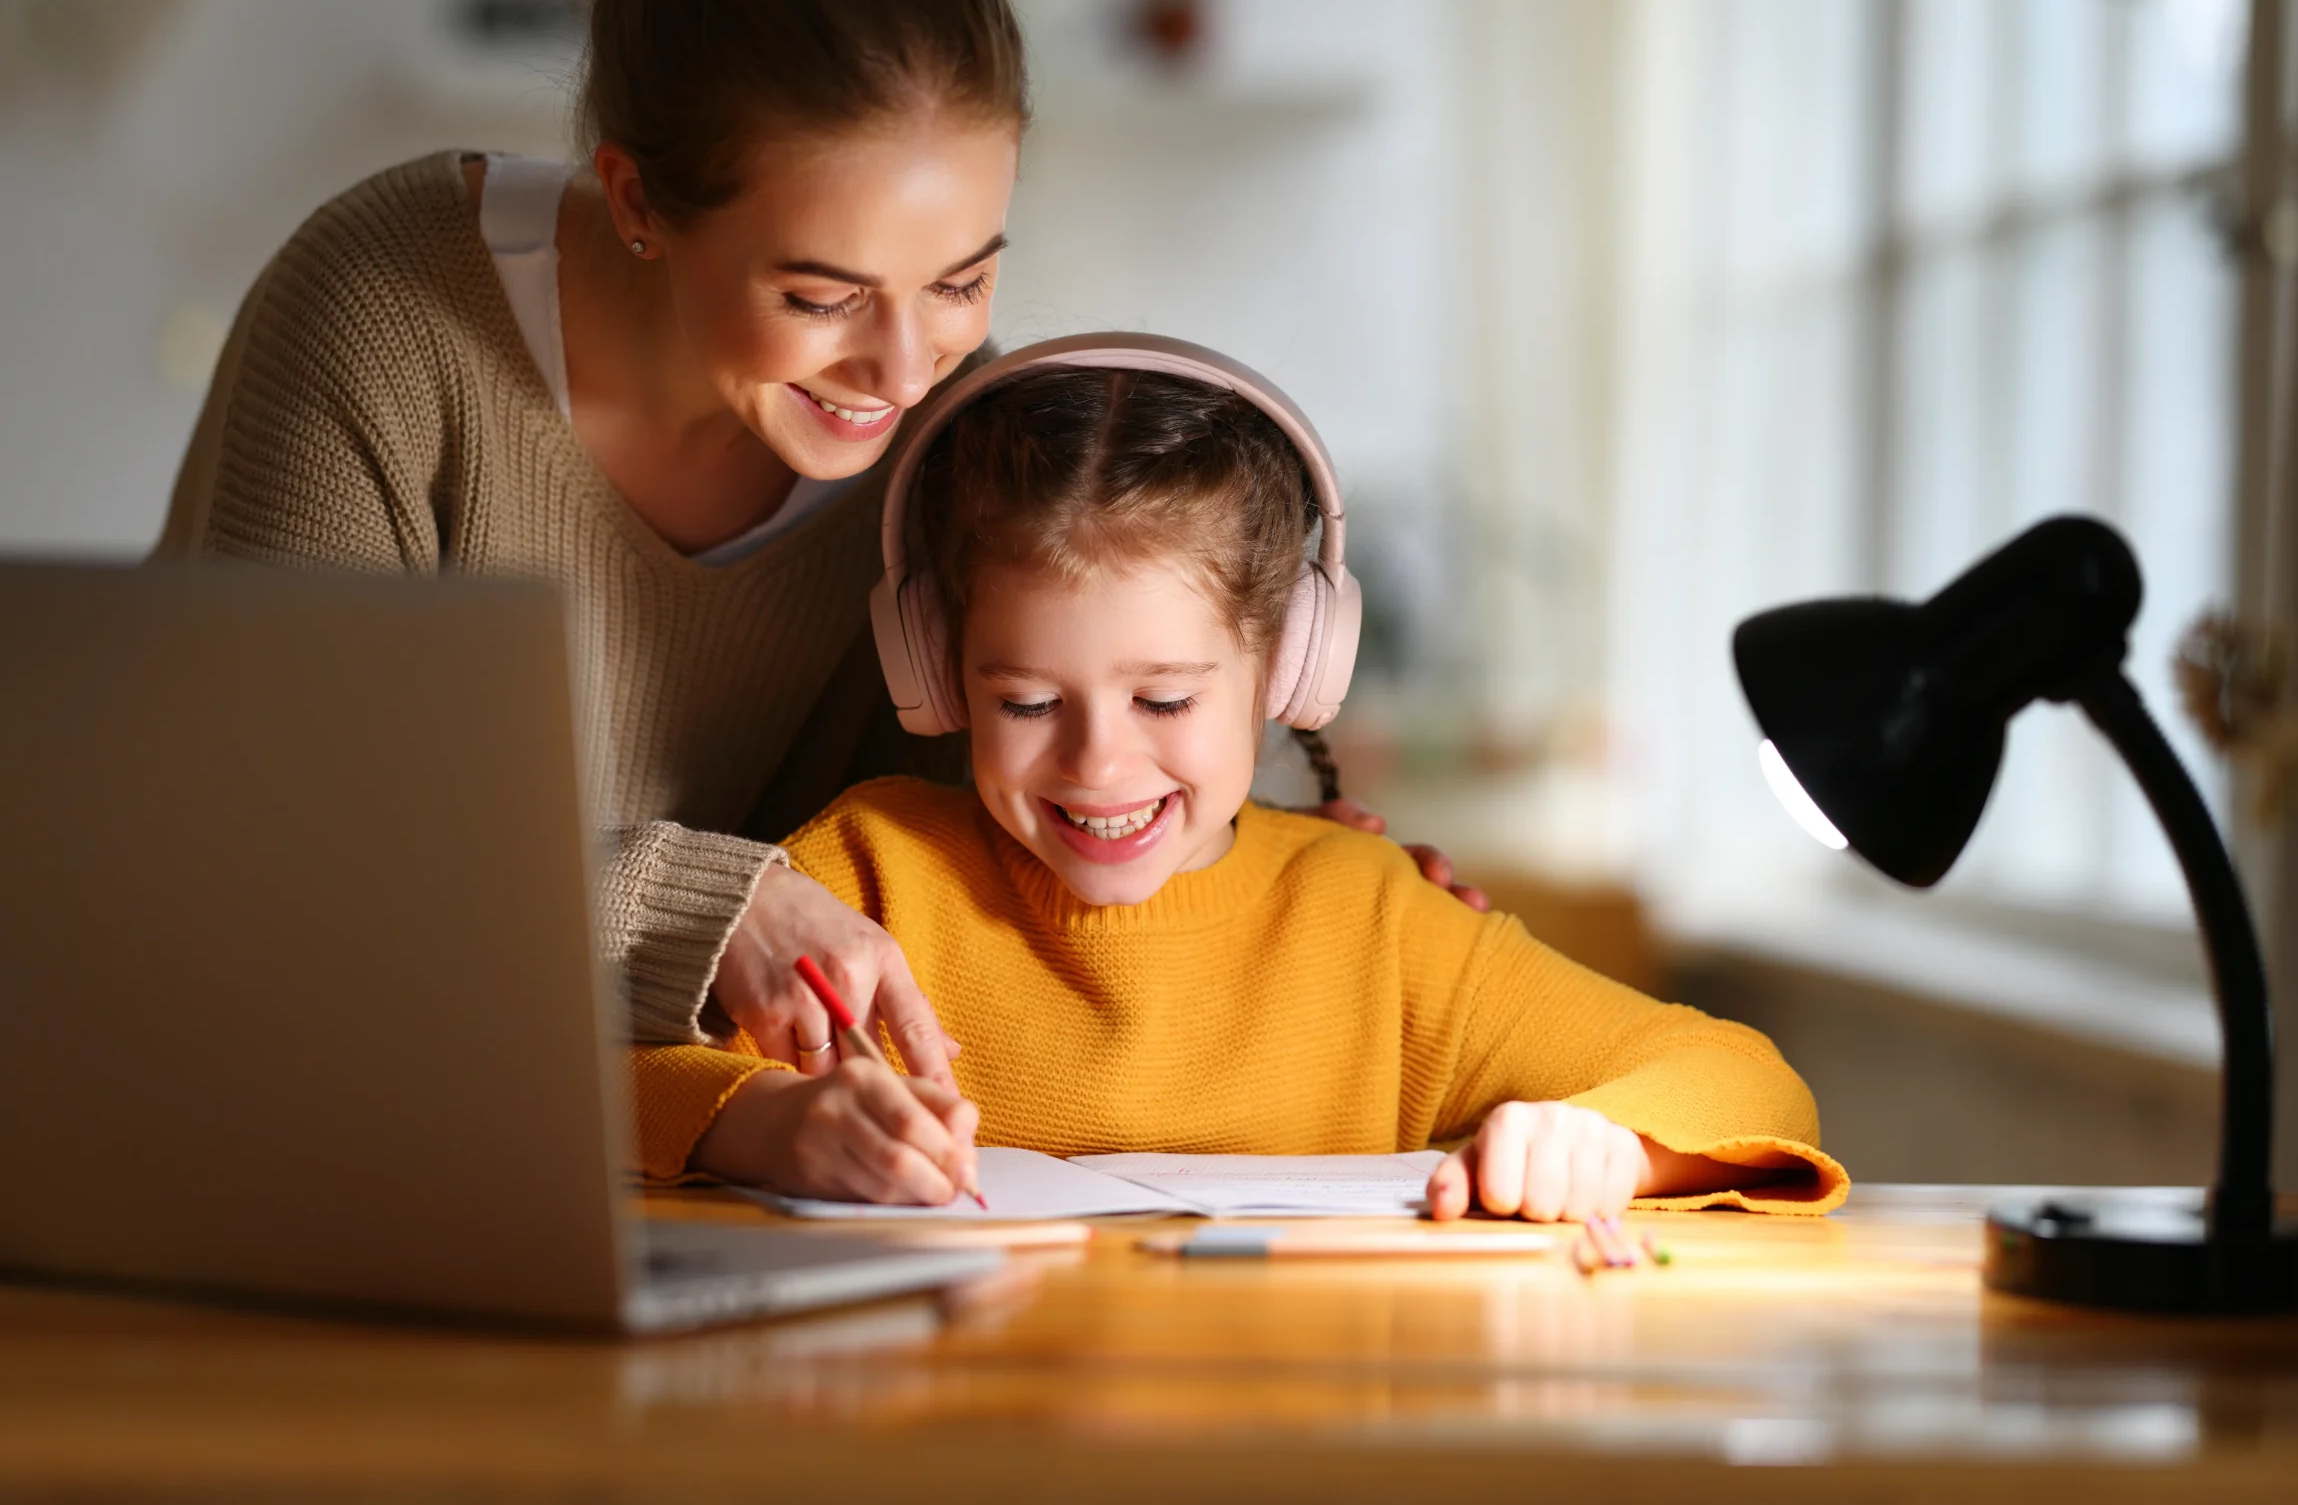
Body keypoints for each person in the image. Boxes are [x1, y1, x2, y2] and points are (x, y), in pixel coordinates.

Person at [152, 0, 1475, 1084]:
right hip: (307, 1104)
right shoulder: (385, 316)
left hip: (723, 1150)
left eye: (961, 281)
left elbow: (1069, 780)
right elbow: (280, 851)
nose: (902, 373)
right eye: (820, 297)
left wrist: (1295, 868)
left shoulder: (962, 445)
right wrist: (716, 904)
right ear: (637, 199)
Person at [631, 346, 1849, 1222]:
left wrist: (1609, 1146)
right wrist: (766, 1123)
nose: (1097, 764)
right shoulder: (868, 874)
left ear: (1289, 669)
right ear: (936, 673)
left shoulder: (1376, 922)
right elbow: (599, 1083)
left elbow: (1749, 1078)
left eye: (1165, 700)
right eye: (1028, 703)